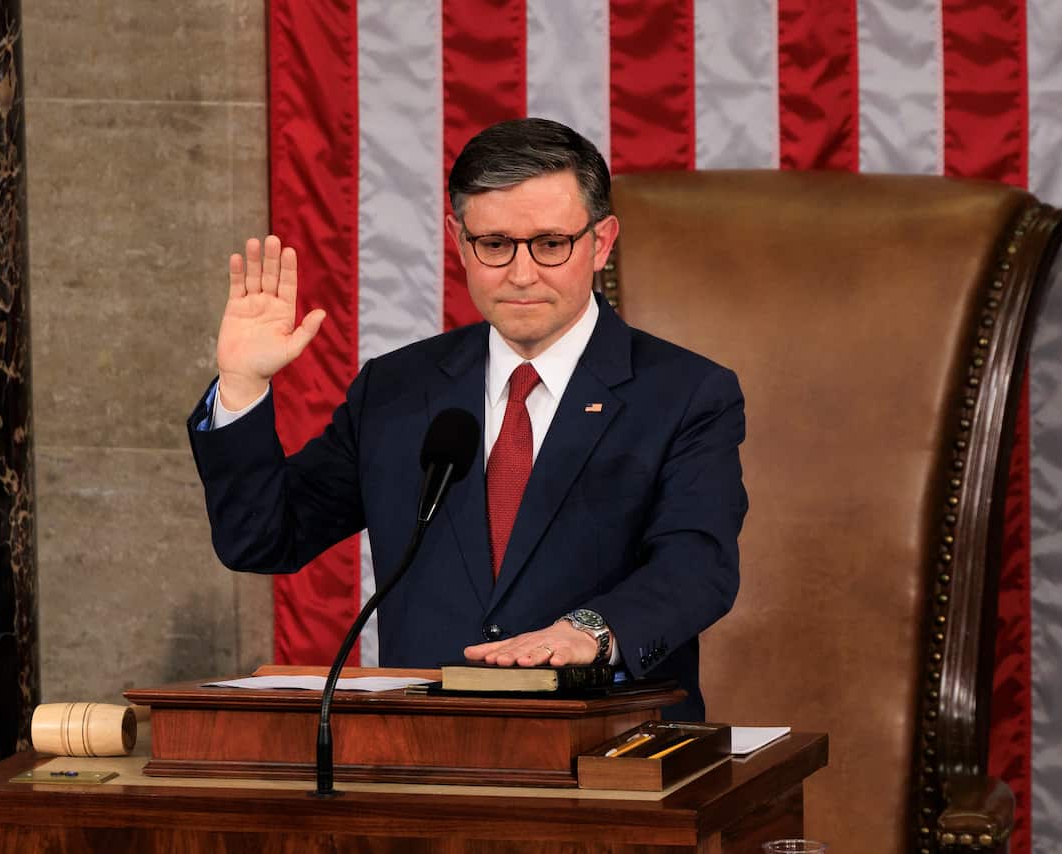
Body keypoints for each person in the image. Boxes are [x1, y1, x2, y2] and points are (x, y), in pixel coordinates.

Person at [188, 118, 746, 719]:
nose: (522, 272)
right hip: (429, 756)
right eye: (496, 244)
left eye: (551, 244)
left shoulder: (686, 392)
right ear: (460, 243)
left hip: (609, 750)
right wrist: (243, 385)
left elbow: (697, 566)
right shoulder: (397, 389)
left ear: (601, 242)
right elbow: (264, 539)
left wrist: (590, 633)